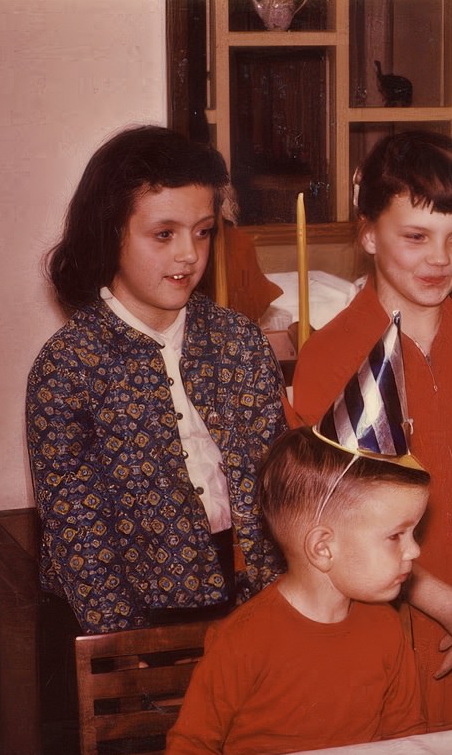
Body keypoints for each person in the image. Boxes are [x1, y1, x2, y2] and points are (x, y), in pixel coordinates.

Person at [290, 130, 452, 731]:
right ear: (367, 234)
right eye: (416, 237)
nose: (440, 259)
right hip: (385, 625)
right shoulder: (331, 358)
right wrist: (450, 605)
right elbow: (336, 521)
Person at [26, 125, 288, 634]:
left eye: (203, 231)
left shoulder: (238, 341)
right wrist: (125, 647)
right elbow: (78, 532)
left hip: (250, 602)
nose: (188, 254)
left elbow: (275, 482)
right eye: (164, 234)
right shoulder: (69, 365)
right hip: (132, 616)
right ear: (111, 233)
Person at [162, 426, 427, 755]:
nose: (415, 550)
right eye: (396, 536)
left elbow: (407, 741)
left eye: (413, 533)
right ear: (323, 547)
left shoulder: (387, 628)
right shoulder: (241, 641)